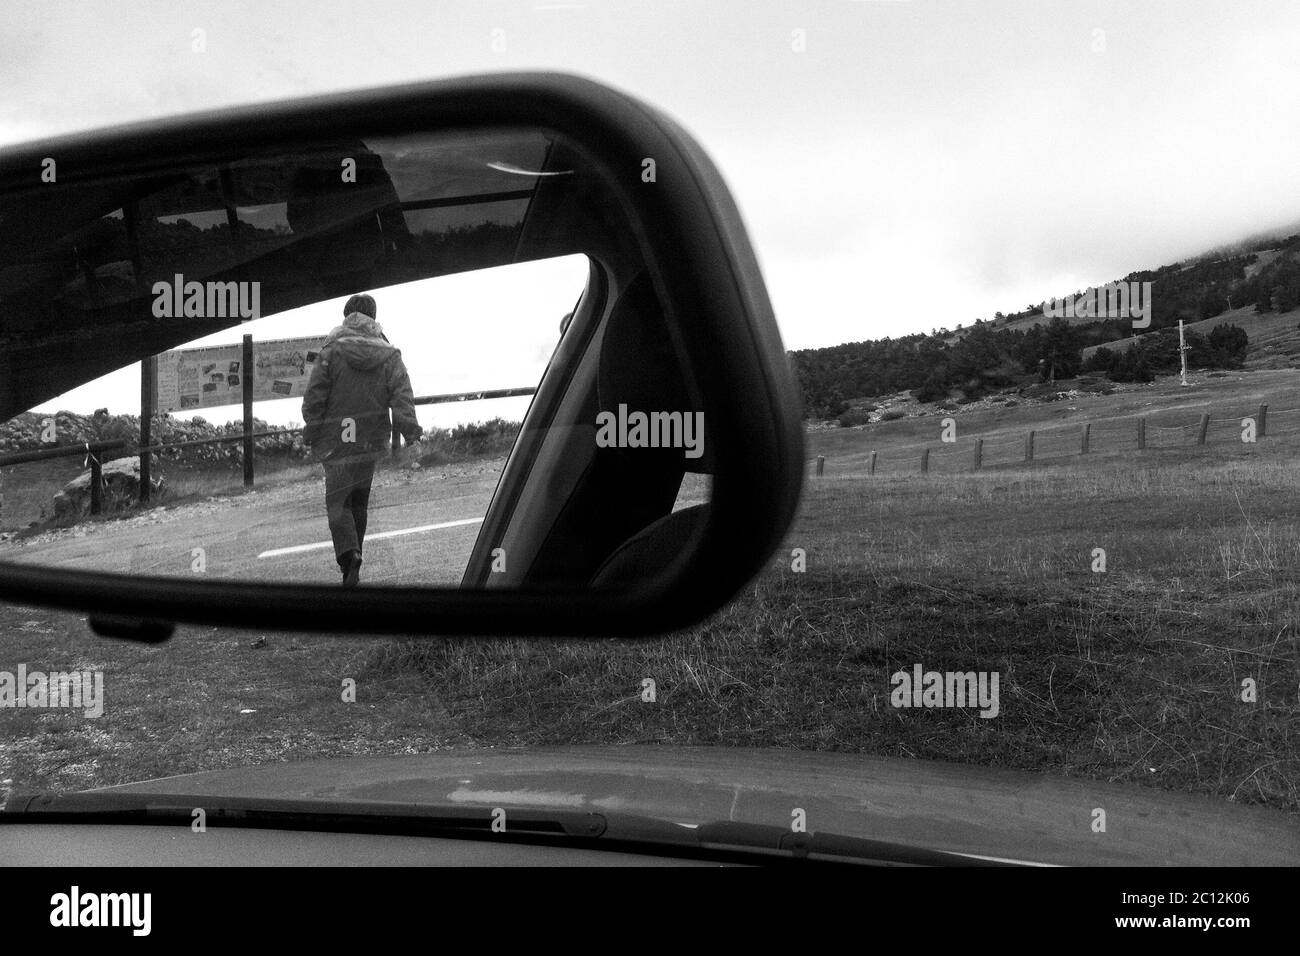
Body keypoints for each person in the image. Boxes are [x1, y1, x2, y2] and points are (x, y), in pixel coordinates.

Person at [301, 293, 421, 587]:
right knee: (359, 502)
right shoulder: (389, 354)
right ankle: (354, 556)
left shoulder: (332, 349)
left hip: (339, 435)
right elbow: (402, 396)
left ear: (347, 315)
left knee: (338, 503)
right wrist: (412, 435)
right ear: (373, 316)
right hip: (370, 436)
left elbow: (315, 394)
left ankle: (349, 557)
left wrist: (312, 428)